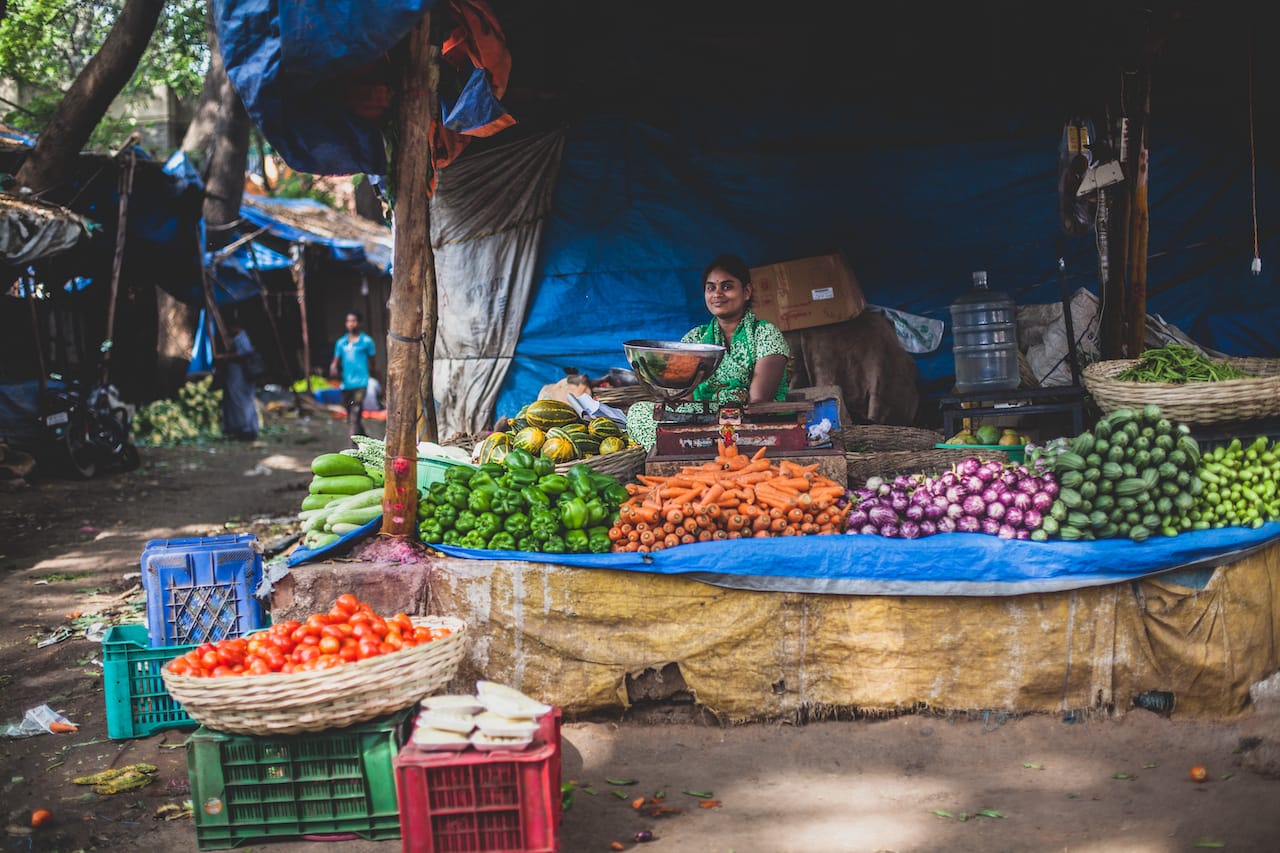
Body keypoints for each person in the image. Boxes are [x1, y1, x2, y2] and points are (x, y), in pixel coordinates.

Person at [625, 254, 791, 450]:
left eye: (727, 287)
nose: (717, 294)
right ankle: (696, 450)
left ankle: (695, 450)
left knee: (721, 429)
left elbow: (758, 399)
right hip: (703, 422)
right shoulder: (695, 339)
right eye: (711, 287)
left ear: (746, 292)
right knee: (638, 412)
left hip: (752, 423)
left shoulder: (764, 333)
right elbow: (685, 404)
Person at [330, 311, 378, 436]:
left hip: (361, 383)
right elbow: (336, 360)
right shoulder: (341, 343)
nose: (350, 324)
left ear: (360, 323)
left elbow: (373, 363)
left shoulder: (366, 341)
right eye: (348, 321)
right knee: (351, 416)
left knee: (356, 412)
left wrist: (379, 381)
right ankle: (363, 438)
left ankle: (352, 444)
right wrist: (333, 367)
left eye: (353, 321)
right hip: (347, 384)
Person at [215, 325, 261, 441]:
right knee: (240, 401)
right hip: (239, 376)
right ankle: (240, 429)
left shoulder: (242, 337)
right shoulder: (240, 337)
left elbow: (244, 352)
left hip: (240, 376)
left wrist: (223, 356)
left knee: (240, 402)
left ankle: (245, 429)